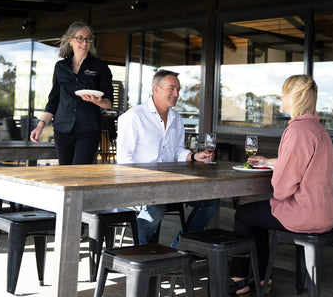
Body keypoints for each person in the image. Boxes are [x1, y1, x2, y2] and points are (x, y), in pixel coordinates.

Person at [228, 74, 333, 296]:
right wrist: (270, 162)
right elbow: (306, 162)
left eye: (283, 93)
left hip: (303, 213)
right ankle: (262, 279)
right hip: (324, 213)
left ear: (294, 97)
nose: (280, 97)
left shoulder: (297, 130)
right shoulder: (319, 130)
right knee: (256, 216)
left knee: (244, 214)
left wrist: (278, 173)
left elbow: (282, 190)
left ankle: (240, 280)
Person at [116, 69, 220, 248]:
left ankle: (179, 247)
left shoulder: (177, 119)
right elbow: (124, 159)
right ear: (155, 89)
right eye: (172, 89)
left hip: (172, 184)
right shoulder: (133, 117)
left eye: (178, 89)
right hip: (142, 184)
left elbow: (177, 151)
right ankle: (136, 254)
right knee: (156, 208)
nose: (177, 94)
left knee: (211, 200)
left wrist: (194, 156)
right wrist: (139, 184)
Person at [30, 21, 113, 165]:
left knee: (79, 173)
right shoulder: (61, 67)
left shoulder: (100, 67)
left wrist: (97, 101)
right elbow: (53, 101)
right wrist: (41, 126)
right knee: (65, 172)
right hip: (62, 129)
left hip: (88, 130)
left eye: (88, 38)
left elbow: (109, 103)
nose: (84, 42)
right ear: (70, 40)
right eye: (80, 38)